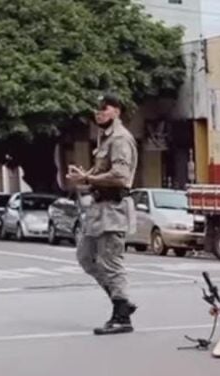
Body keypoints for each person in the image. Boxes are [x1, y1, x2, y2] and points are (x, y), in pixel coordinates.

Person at [67, 94, 139, 336]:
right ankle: (122, 302)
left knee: (111, 262)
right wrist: (83, 178)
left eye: (104, 109)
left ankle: (121, 316)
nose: (99, 114)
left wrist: (89, 178)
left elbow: (119, 175)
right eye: (96, 111)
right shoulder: (104, 138)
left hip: (113, 208)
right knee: (86, 257)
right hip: (98, 208)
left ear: (116, 111)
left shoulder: (120, 139)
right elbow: (100, 174)